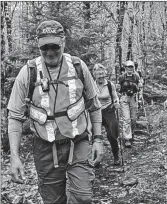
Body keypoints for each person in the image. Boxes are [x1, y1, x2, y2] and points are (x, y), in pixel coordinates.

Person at [7, 20, 104, 204]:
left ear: (63, 42)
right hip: (45, 147)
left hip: (78, 141)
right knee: (53, 201)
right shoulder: (28, 73)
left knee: (83, 197)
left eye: (54, 46)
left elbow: (94, 106)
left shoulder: (78, 67)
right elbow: (15, 117)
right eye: (45, 47)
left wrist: (98, 139)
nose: (50, 52)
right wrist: (14, 156)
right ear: (38, 45)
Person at [93, 63, 121, 165]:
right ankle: (96, 159)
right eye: (98, 74)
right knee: (95, 135)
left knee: (112, 134)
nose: (100, 76)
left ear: (105, 74)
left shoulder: (110, 85)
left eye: (102, 73)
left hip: (109, 110)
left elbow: (115, 97)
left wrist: (117, 103)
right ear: (94, 75)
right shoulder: (91, 84)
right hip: (95, 112)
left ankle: (116, 156)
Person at [118, 60, 142, 148]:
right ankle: (127, 138)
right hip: (124, 98)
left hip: (133, 98)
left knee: (134, 119)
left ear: (133, 68)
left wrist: (139, 90)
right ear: (125, 68)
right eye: (128, 67)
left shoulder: (136, 76)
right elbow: (118, 87)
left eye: (131, 67)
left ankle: (131, 134)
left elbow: (139, 86)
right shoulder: (121, 77)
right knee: (126, 119)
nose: (130, 69)